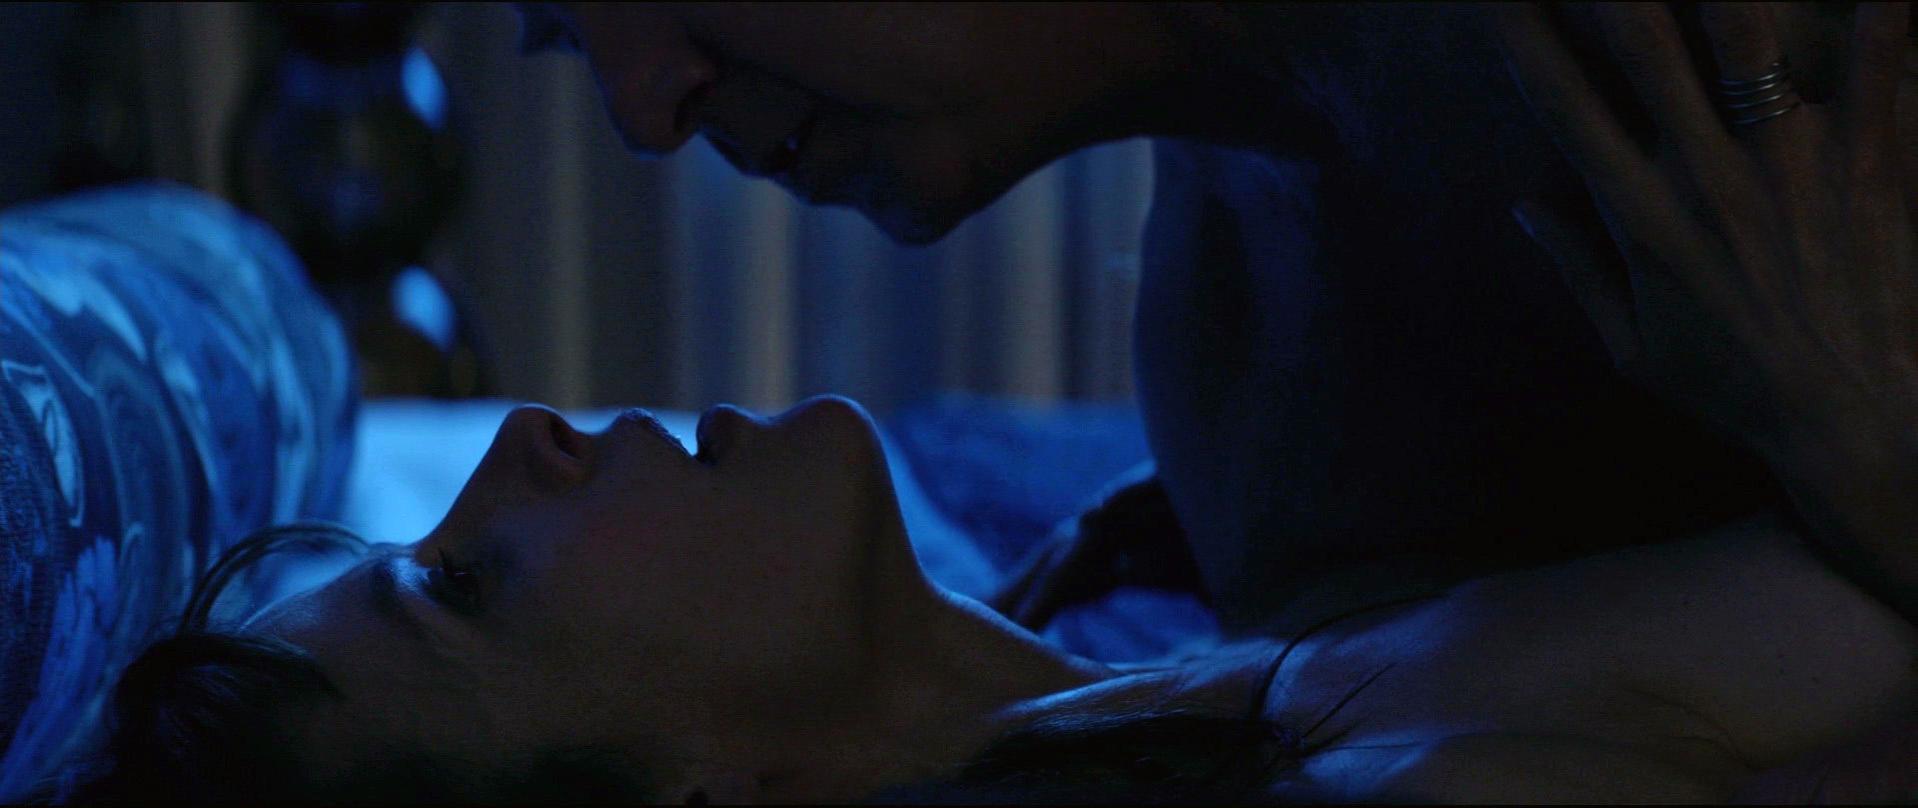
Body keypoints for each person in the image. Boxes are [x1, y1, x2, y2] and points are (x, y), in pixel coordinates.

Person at [57, 2, 1918, 803]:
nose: (637, 106)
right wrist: (1873, 450)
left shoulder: (1230, 601)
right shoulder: (1266, 425)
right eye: (465, 585)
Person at [516, 2, 1915, 639]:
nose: (642, 111)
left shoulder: (1752, 68)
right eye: (566, 33)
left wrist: (1869, 458)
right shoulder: (1234, 380)